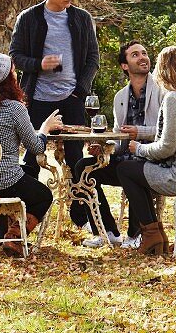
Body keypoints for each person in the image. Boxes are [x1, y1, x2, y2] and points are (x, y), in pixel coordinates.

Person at [107, 45, 176, 255]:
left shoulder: (173, 99)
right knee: (136, 169)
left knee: (125, 170)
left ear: (164, 69)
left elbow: (166, 148)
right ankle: (155, 235)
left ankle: (150, 235)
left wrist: (138, 148)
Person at [0, 52, 61, 255]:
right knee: (43, 195)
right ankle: (14, 236)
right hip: (4, 180)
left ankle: (3, 235)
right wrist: (44, 129)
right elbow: (36, 148)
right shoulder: (14, 108)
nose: (16, 74)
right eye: (13, 71)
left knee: (26, 173)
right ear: (7, 78)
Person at [69, 39, 162, 248]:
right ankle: (106, 230)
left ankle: (136, 234)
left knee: (130, 168)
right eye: (135, 55)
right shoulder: (120, 97)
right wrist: (103, 148)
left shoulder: (162, 92)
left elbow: (168, 134)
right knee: (84, 168)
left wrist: (141, 132)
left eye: (144, 53)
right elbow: (120, 139)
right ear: (125, 66)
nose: (143, 57)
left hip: (152, 158)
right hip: (125, 159)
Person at [9, 0, 99, 177]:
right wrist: (39, 64)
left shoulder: (82, 18)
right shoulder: (29, 18)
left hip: (72, 97)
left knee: (77, 160)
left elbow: (93, 59)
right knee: (31, 157)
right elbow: (14, 57)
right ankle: (30, 208)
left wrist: (80, 91)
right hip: (38, 98)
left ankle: (80, 210)